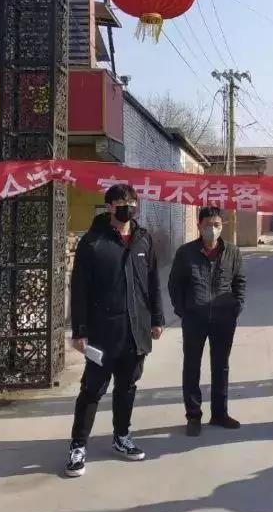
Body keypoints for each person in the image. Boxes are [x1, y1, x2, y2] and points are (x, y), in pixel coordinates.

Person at [66, 184, 165, 478]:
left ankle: (122, 436)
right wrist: (79, 330)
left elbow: (153, 283)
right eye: (122, 202)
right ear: (109, 207)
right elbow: (79, 288)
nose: (128, 206)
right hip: (102, 332)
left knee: (127, 386)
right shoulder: (93, 242)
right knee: (92, 390)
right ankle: (78, 446)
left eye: (132, 201)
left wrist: (157, 318)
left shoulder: (143, 239)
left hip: (135, 330)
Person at [169, 206, 246, 437]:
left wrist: (236, 306)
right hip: (195, 319)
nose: (212, 229)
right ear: (199, 226)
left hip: (224, 319)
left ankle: (220, 413)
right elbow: (175, 285)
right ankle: (193, 416)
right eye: (207, 225)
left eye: (216, 225)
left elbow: (239, 282)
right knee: (192, 366)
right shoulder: (186, 253)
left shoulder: (232, 252)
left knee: (221, 366)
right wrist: (184, 311)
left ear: (222, 226)